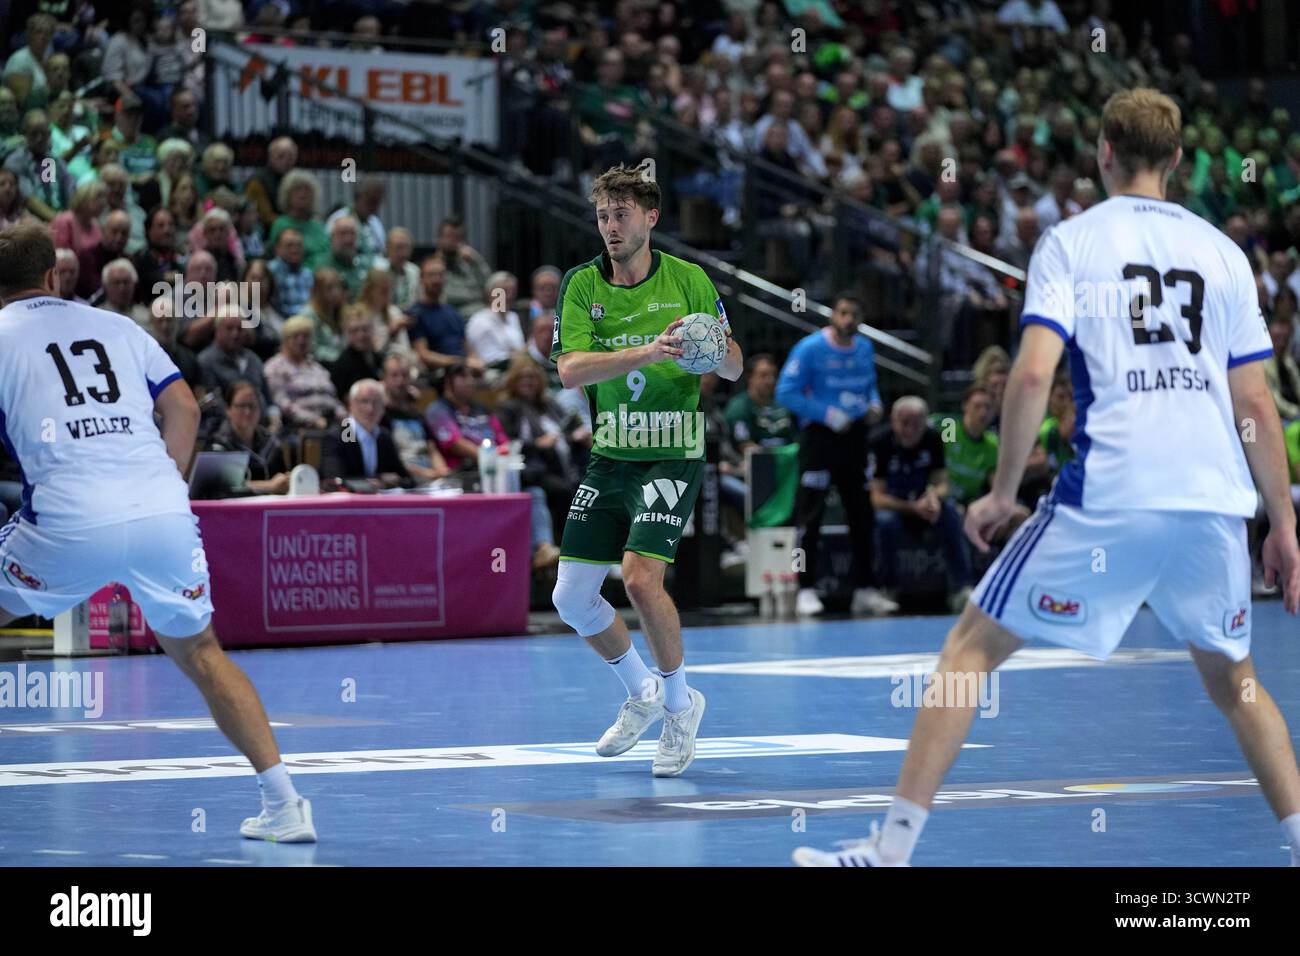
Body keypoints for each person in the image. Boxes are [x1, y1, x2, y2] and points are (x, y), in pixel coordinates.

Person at [795, 88, 1300, 868]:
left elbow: (1032, 376)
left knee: (968, 651)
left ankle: (890, 851)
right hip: (1211, 504)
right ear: (1174, 160)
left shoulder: (1071, 242)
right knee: (1237, 684)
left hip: (1111, 491)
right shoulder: (1225, 254)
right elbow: (1256, 402)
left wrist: (1001, 493)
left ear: (1101, 153)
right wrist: (1285, 524)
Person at [0, 220, 315, 842]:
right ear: (51, 277)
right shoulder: (121, 327)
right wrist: (165, 488)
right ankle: (285, 805)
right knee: (202, 653)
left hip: (67, 522)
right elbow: (186, 409)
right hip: (163, 516)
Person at [549, 163, 742, 777]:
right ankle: (643, 693)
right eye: (603, 215)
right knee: (571, 597)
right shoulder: (582, 285)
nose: (610, 226)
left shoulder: (687, 280)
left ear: (650, 217)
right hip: (610, 452)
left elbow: (734, 367)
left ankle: (682, 707)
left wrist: (714, 347)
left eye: (621, 214)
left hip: (672, 451)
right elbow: (571, 369)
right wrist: (651, 349)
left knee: (637, 579)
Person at [776, 292, 898, 617]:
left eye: (854, 314)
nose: (848, 320)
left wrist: (874, 403)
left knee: (861, 513)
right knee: (810, 515)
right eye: (843, 313)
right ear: (833, 315)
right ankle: (805, 589)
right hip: (819, 439)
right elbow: (785, 392)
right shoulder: (810, 348)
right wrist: (826, 414)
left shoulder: (864, 348)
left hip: (855, 438)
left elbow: (869, 384)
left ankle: (866, 589)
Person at [870, 396, 974, 612]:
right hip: (894, 507)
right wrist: (911, 507)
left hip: (925, 506)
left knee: (952, 515)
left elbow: (942, 483)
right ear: (893, 420)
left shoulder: (934, 437)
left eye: (916, 423)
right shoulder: (879, 442)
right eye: (904, 423)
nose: (909, 430)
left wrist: (933, 497)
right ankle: (886, 589)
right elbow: (876, 497)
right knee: (884, 523)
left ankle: (962, 588)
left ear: (925, 422)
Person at [319, 379, 411, 490]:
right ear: (351, 405)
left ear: (383, 407)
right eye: (364, 401)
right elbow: (335, 481)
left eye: (376, 402)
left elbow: (406, 480)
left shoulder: (384, 436)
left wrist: (393, 482)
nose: (370, 409)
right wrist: (379, 480)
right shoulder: (339, 434)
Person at [264, 314, 346, 430]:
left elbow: (332, 397)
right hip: (300, 427)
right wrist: (313, 420)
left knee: (352, 434)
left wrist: (344, 417)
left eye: (306, 336)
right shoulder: (275, 367)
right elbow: (281, 402)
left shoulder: (315, 366)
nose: (301, 341)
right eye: (296, 336)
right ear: (285, 340)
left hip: (330, 422)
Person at [207, 380, 290, 494]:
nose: (247, 412)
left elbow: (282, 479)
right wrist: (269, 486)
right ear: (228, 410)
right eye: (241, 406)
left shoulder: (271, 443)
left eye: (252, 406)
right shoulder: (218, 445)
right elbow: (225, 485)